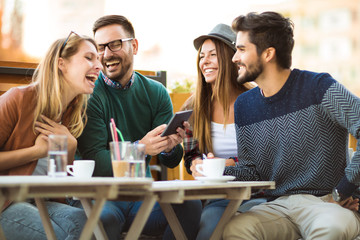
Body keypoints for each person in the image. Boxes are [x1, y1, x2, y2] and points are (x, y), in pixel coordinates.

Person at [222, 11, 360, 240]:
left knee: (330, 228)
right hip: (278, 206)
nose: (234, 57)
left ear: (268, 54)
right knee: (235, 229)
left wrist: (344, 189)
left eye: (241, 49)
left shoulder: (319, 87)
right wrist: (217, 171)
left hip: (326, 203)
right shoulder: (244, 106)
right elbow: (252, 172)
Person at [77, 15, 201, 240]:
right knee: (103, 220)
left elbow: (171, 161)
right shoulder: (89, 94)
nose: (106, 54)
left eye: (114, 44)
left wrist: (169, 147)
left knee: (189, 205)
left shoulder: (156, 92)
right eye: (100, 48)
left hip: (142, 198)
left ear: (133, 45)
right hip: (101, 198)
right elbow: (94, 161)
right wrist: (140, 149)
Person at [0, 32, 102, 239]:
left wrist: (70, 149)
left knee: (91, 225)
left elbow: (60, 188)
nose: (99, 66)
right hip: (5, 203)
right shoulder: (18, 99)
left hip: (42, 202)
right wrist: (36, 151)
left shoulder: (71, 114)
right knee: (54, 235)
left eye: (99, 59)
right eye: (89, 57)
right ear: (61, 63)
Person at [181, 23, 263, 240]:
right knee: (208, 229)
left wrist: (232, 164)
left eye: (212, 55)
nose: (204, 61)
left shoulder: (258, 101)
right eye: (201, 56)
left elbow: (267, 156)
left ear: (230, 57)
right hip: (219, 196)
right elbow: (190, 155)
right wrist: (196, 164)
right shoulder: (194, 106)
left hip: (259, 194)